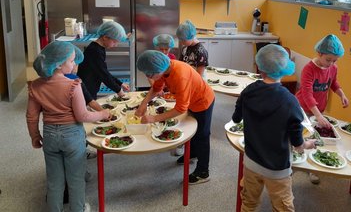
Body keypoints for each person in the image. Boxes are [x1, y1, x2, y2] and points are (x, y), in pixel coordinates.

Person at [26, 41, 110, 212]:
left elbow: (31, 116)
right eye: (71, 61)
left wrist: (34, 136)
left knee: (54, 179)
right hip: (72, 136)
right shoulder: (73, 84)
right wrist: (103, 114)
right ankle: (78, 209)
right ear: (58, 64)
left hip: (49, 135)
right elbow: (83, 115)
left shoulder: (35, 86)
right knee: (75, 178)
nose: (74, 65)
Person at [232, 44, 316, 211]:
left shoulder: (248, 91)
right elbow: (298, 143)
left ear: (259, 67)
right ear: (284, 70)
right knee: (282, 207)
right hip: (277, 170)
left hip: (251, 162)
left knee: (248, 203)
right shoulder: (290, 100)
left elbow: (236, 118)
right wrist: (307, 145)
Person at [135, 50, 215, 184]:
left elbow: (180, 108)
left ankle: (203, 172)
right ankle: (193, 153)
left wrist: (153, 118)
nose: (148, 76)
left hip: (203, 102)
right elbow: (156, 88)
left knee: (202, 135)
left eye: (150, 74)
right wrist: (144, 104)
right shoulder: (164, 69)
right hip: (191, 101)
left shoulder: (180, 75)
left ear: (158, 69)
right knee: (194, 131)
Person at [295, 34, 349, 184]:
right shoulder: (309, 69)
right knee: (299, 136)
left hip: (318, 111)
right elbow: (307, 94)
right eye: (328, 60)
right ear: (319, 53)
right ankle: (293, 162)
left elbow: (334, 84)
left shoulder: (332, 68)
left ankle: (313, 168)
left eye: (334, 60)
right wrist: (318, 116)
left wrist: (342, 95)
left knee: (315, 138)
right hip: (302, 109)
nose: (331, 64)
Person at [77, 21, 130, 100]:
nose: (116, 45)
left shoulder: (98, 48)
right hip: (86, 90)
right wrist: (119, 91)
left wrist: (120, 83)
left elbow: (104, 71)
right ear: (105, 37)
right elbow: (103, 75)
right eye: (114, 42)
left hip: (90, 87)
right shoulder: (94, 51)